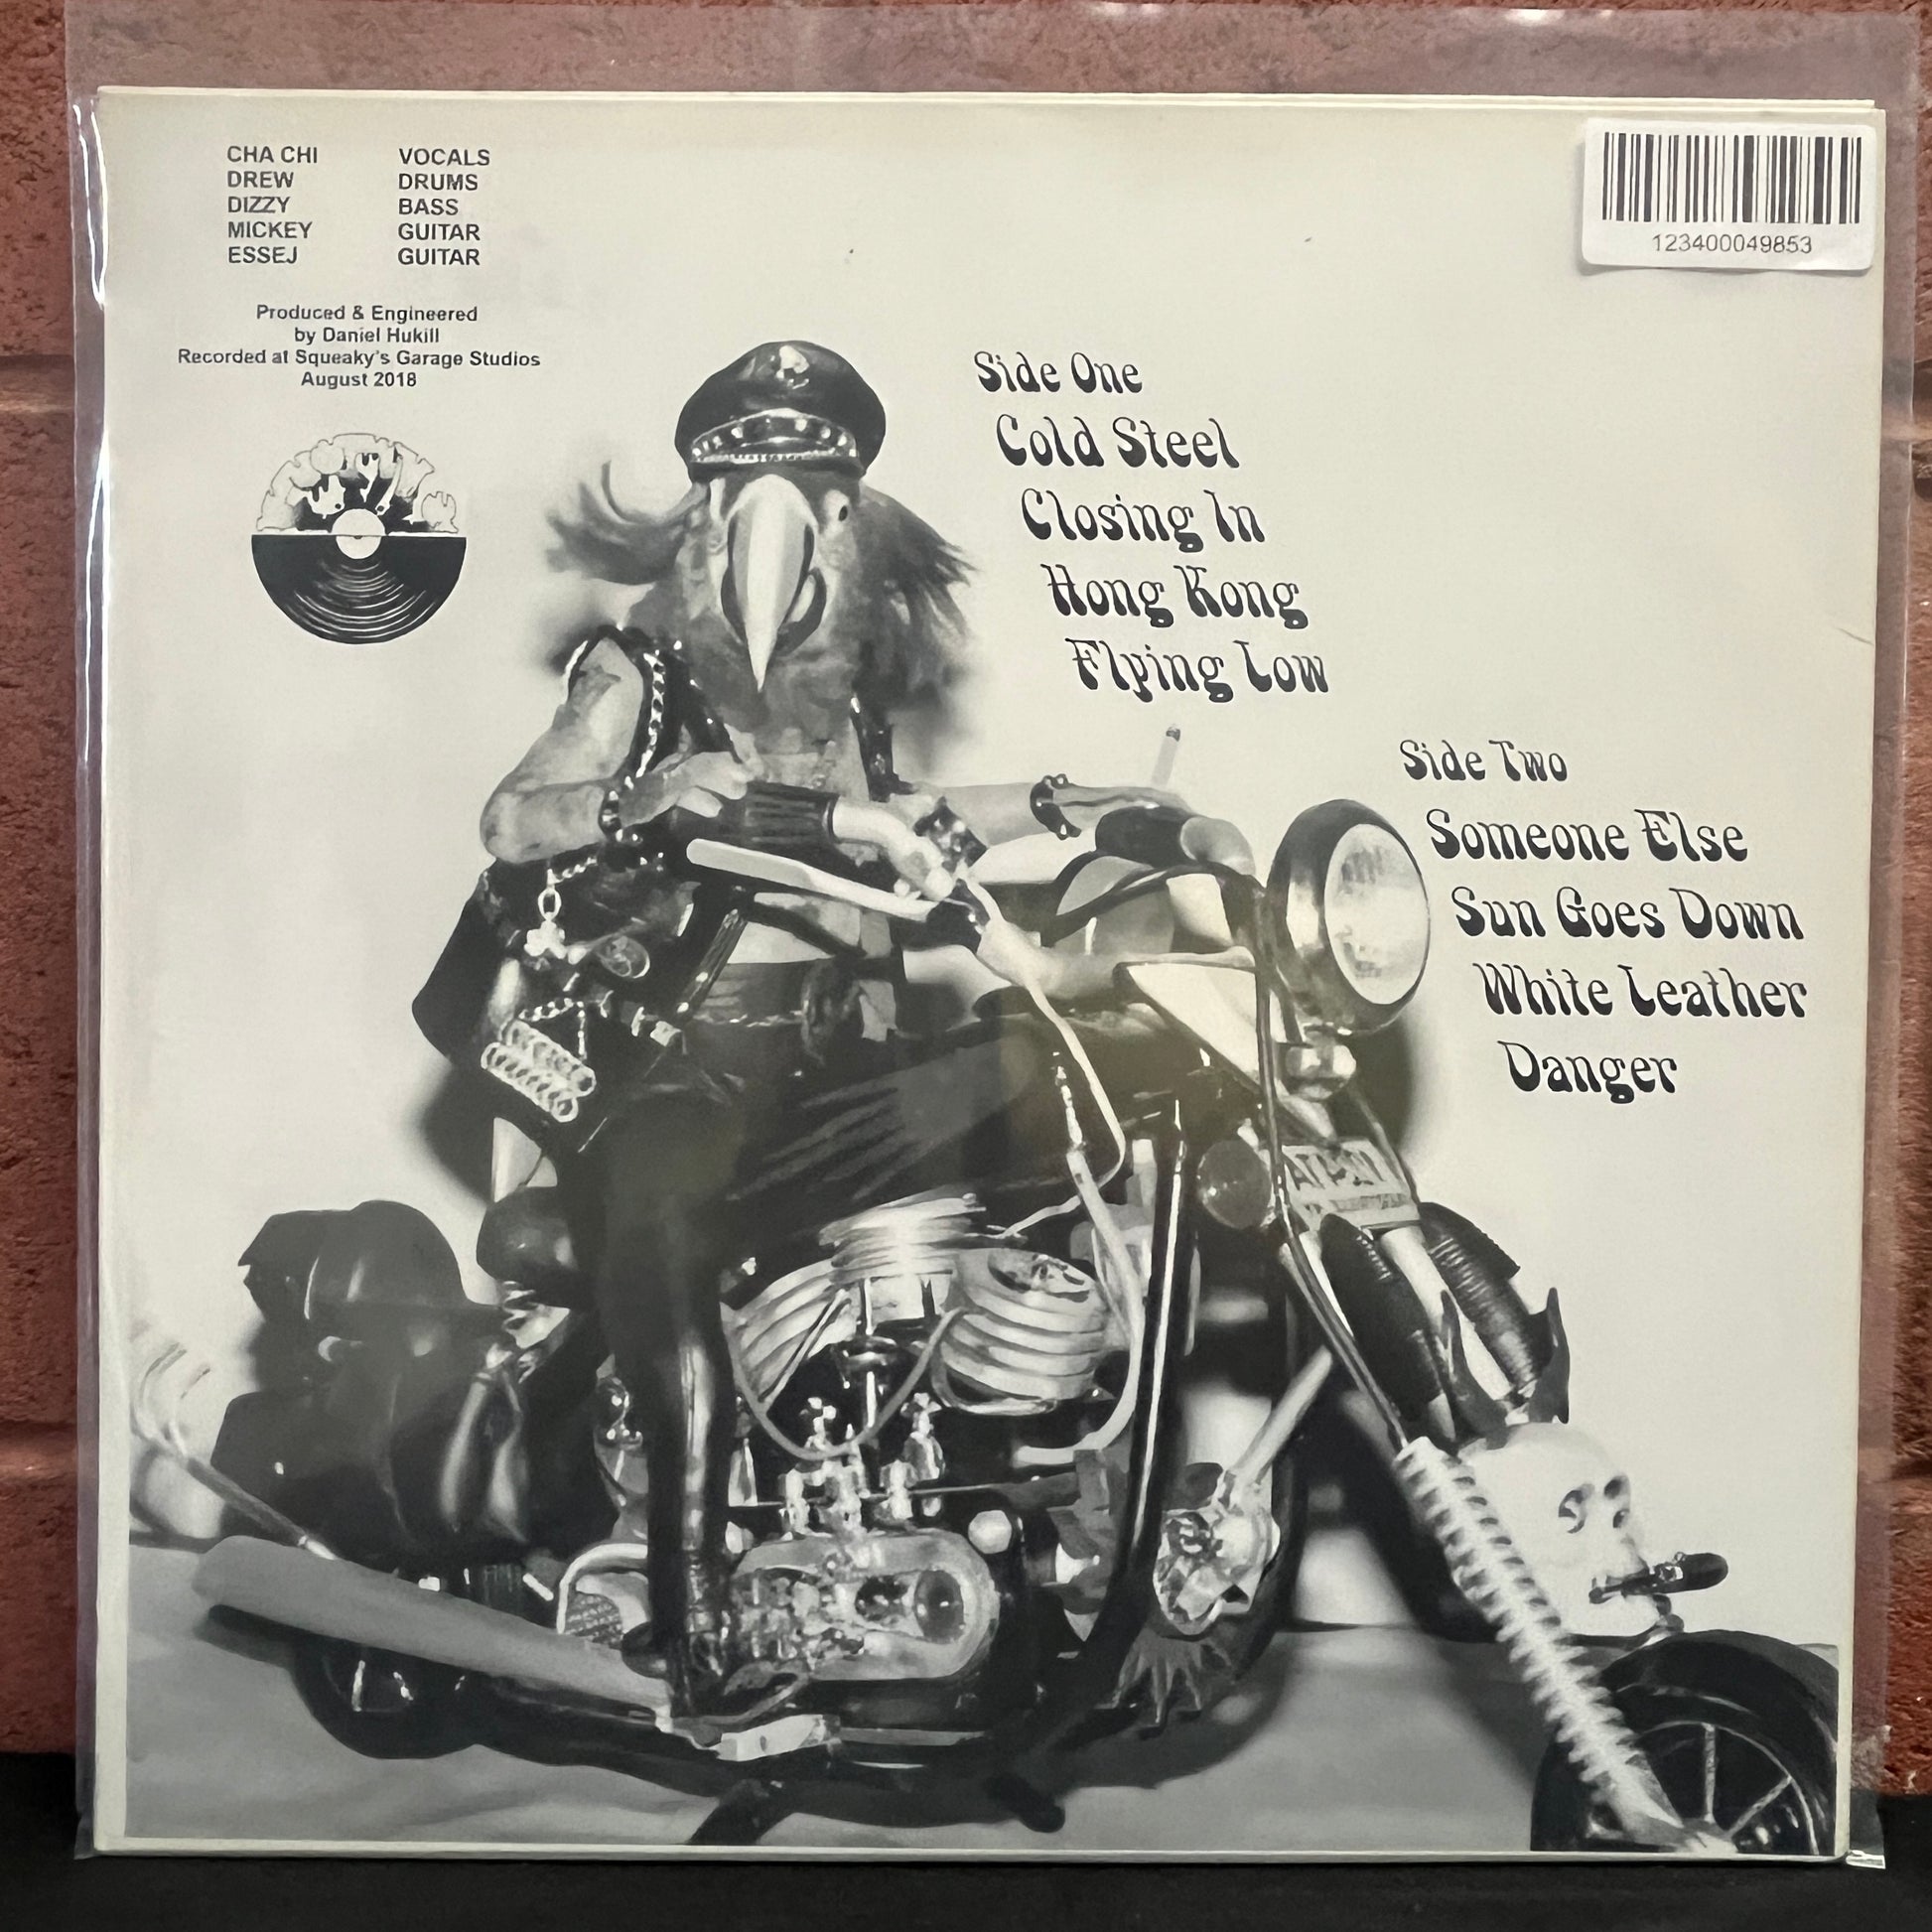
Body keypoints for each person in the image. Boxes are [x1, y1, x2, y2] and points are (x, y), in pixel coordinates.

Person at [416, 343, 1195, 1708]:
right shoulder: (638, 676)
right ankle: (686, 1615)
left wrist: (1072, 802)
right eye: (745, 498)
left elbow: (915, 826)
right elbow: (511, 816)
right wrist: (645, 799)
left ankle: (1053, 1518)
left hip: (837, 1055)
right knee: (664, 1235)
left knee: (1048, 1086)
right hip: (682, 1064)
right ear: (707, 524)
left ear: (853, 526)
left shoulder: (842, 705)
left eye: (817, 497)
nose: (776, 530)